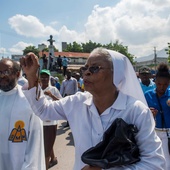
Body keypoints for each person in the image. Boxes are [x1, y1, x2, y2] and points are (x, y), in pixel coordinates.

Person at [21, 48, 165, 170]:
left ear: (116, 74)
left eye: (95, 68)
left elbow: (155, 163)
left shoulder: (136, 111)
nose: (86, 73)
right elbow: (43, 111)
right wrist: (32, 77)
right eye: (85, 68)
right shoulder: (76, 102)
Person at [0, 58, 45, 170]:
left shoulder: (28, 99)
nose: (2, 76)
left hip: (21, 165)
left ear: (18, 74)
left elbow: (35, 141)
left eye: (6, 72)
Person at [145, 63, 170, 170]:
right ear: (155, 81)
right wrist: (148, 113)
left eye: (165, 85)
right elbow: (140, 114)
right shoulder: (147, 95)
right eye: (159, 84)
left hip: (168, 134)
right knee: (154, 161)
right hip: (154, 133)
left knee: (167, 163)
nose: (161, 87)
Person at [40, 69, 62, 169]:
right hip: (39, 122)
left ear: (49, 78)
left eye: (46, 77)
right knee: (46, 143)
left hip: (50, 122)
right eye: (42, 76)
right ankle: (53, 159)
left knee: (46, 147)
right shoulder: (37, 89)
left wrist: (51, 95)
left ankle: (45, 166)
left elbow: (62, 102)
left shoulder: (53, 89)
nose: (44, 78)